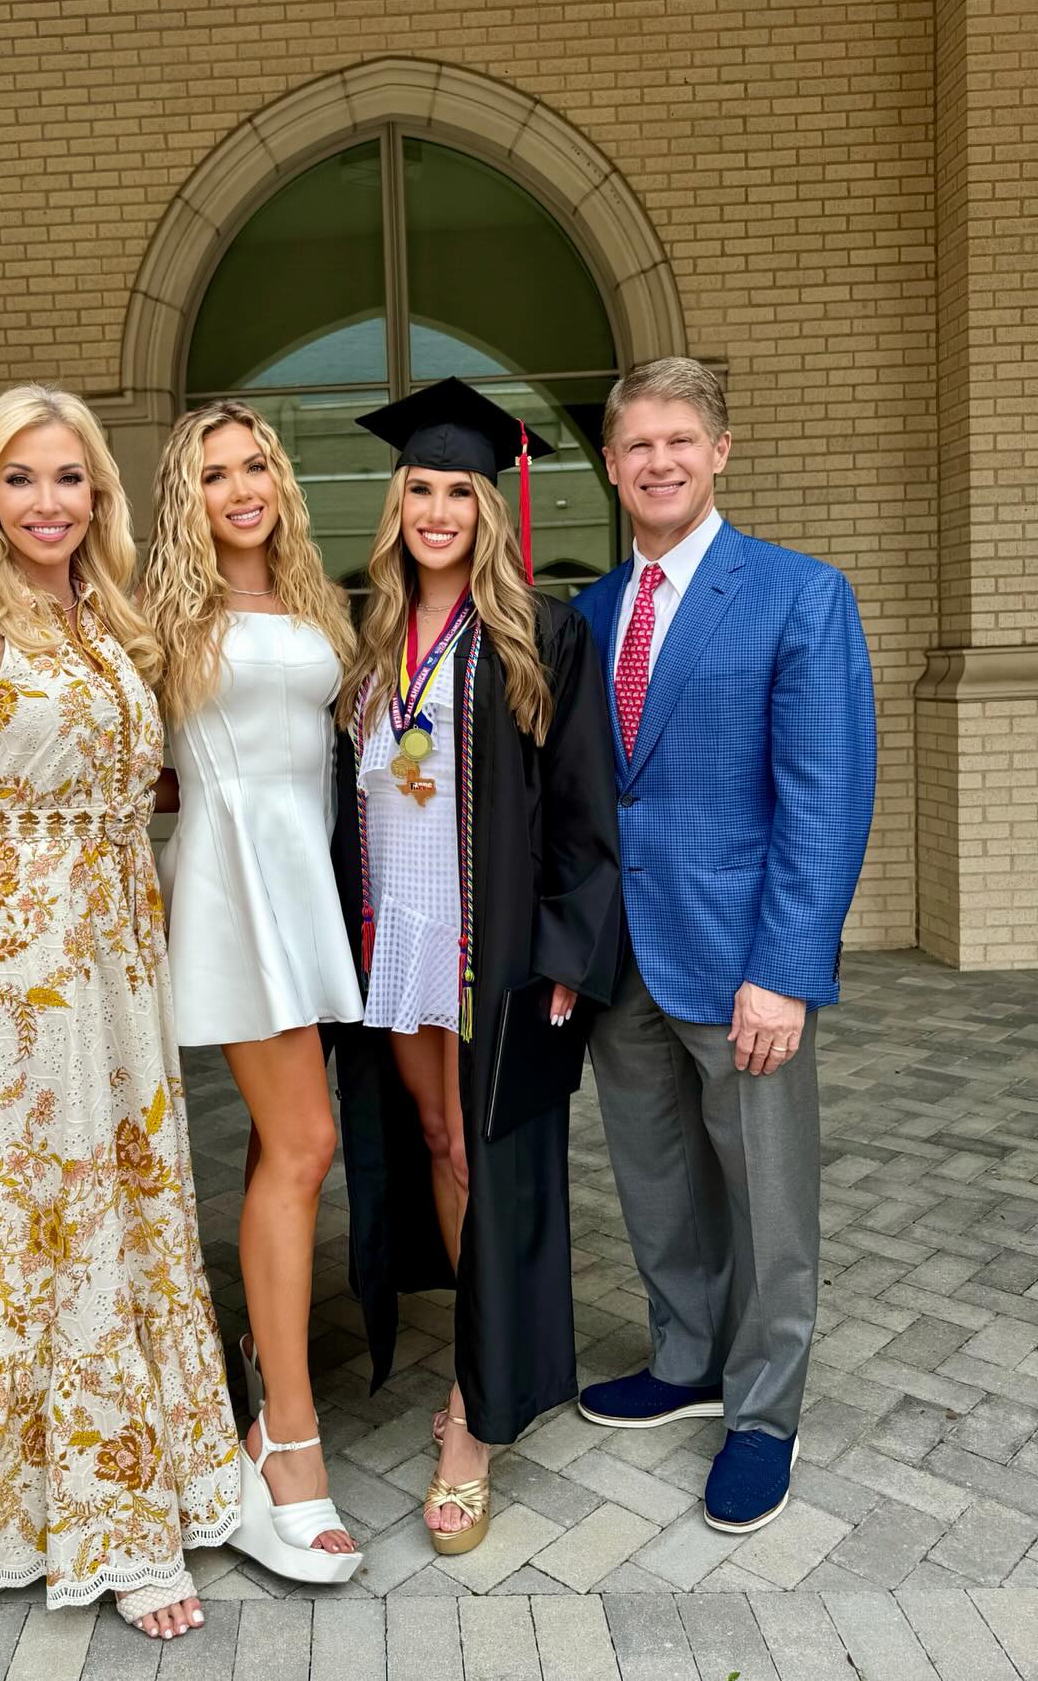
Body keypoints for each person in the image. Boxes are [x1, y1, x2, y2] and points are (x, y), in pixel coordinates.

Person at [0, 385, 239, 1641]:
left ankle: (172, 1478)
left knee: (139, 1199)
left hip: (121, 949)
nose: (47, 503)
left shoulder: (114, 619)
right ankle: (107, 1531)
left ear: (100, 493)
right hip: (26, 952)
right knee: (51, 1213)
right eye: (21, 480)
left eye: (69, 478)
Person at [571, 357, 876, 1535]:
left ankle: (762, 1412)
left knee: (767, 1199)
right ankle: (689, 1357)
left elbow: (826, 796)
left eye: (680, 441)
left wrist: (786, 970)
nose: (659, 462)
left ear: (720, 451)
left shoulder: (799, 596)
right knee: (657, 1182)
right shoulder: (591, 614)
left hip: (743, 959)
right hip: (626, 963)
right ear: (610, 463)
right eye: (638, 445)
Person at [331, 378, 623, 1555]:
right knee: (440, 1140)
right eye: (421, 487)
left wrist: (565, 947)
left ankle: (474, 1413)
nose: (439, 509)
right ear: (395, 500)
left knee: (488, 1145)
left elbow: (582, 807)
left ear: (489, 508)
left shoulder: (540, 632)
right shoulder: (357, 627)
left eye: (461, 489)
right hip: (390, 928)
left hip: (487, 938)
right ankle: (483, 1345)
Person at [143, 401, 365, 1583]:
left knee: (280, 1148)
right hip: (234, 887)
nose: (242, 489)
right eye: (216, 474)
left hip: (307, 877)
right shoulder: (163, 618)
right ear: (187, 496)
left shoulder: (315, 600)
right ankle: (288, 1447)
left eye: (257, 466)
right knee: (305, 1142)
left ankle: (254, 1394)